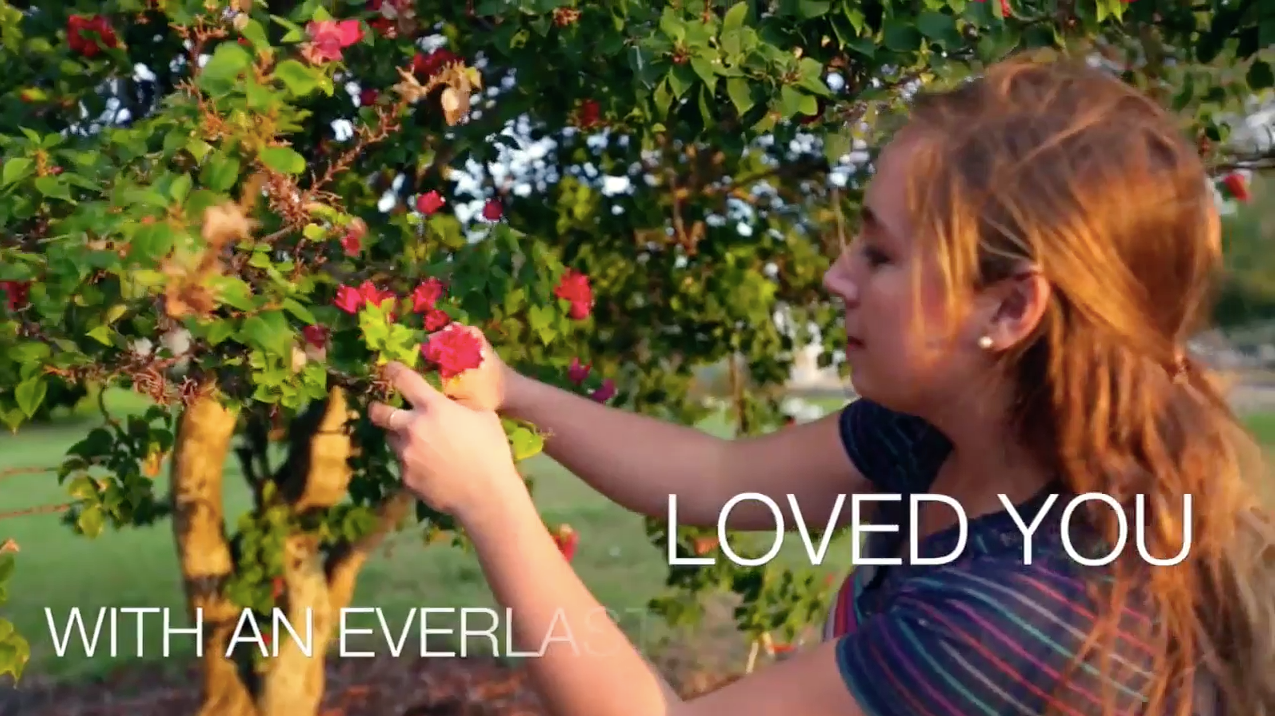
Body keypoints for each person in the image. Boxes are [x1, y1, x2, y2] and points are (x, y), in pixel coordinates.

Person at [368, 55, 1275, 716]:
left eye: (880, 253)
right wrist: (513, 390)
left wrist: (490, 501)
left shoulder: (1026, 608)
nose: (837, 276)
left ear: (1008, 309)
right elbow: (715, 481)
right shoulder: (944, 432)